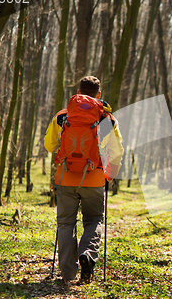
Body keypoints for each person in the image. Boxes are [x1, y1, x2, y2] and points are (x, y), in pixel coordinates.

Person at [44, 76, 123, 283]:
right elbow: (116, 152)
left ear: (78, 92)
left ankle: (68, 274)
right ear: (98, 95)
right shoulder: (108, 119)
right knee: (94, 219)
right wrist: (109, 176)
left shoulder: (62, 117)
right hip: (94, 178)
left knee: (65, 224)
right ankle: (87, 253)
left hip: (65, 177)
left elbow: (49, 145)